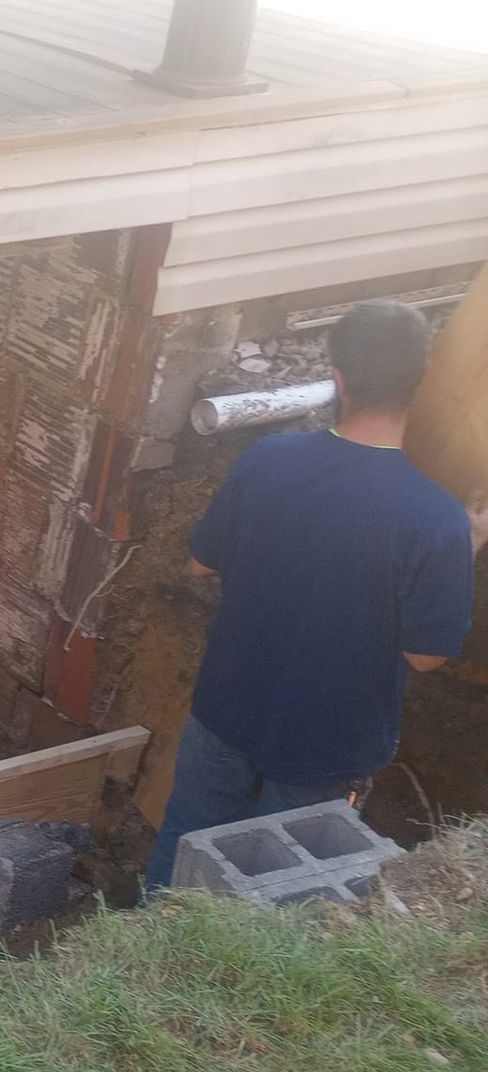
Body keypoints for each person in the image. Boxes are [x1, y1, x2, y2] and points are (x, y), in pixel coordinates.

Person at [144, 300, 488, 890]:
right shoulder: (437, 520)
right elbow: (426, 655)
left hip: (227, 707)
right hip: (328, 743)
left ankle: (153, 937)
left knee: (184, 846)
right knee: (277, 887)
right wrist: (471, 544)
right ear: (419, 382)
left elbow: (201, 563)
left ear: (338, 379)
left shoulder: (266, 459)